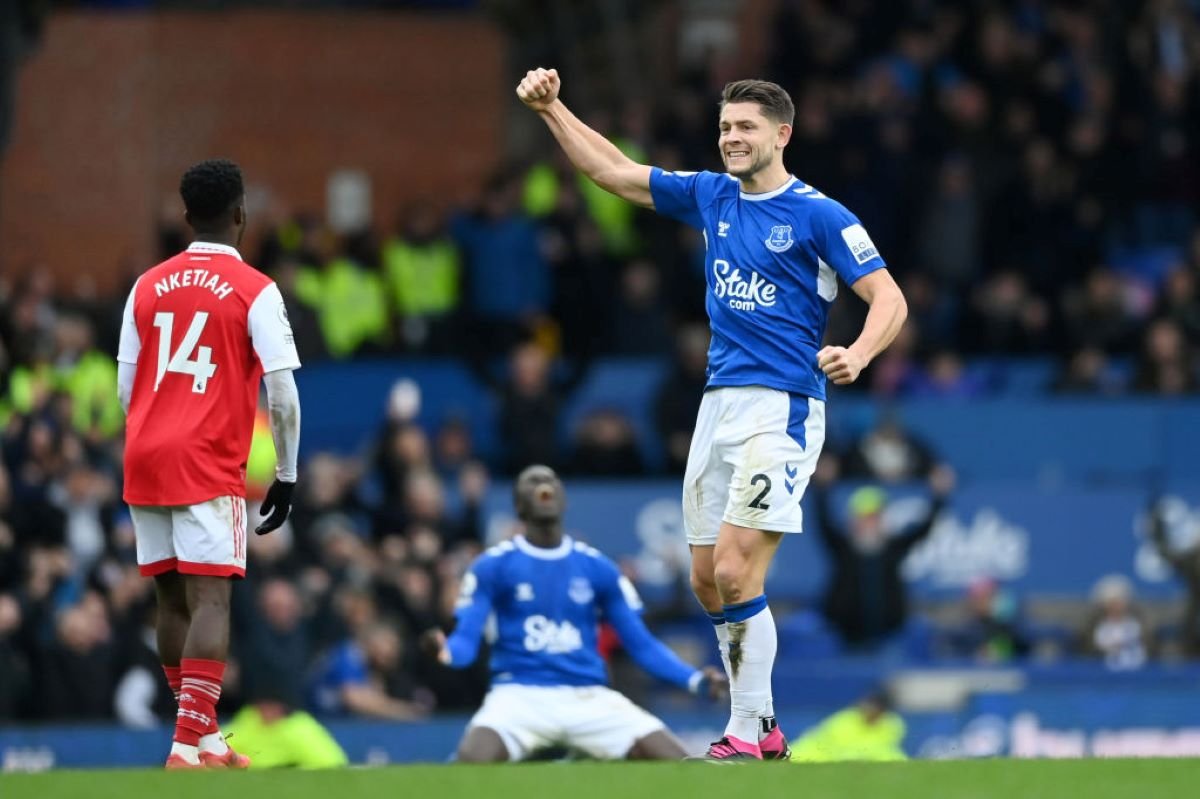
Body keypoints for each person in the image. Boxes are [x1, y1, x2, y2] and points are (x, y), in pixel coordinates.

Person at [516, 68, 907, 759]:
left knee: (734, 571)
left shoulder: (820, 214)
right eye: (725, 126)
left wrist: (861, 352)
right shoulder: (711, 195)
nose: (731, 137)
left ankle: (749, 728)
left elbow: (889, 298)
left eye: (746, 127)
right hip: (717, 404)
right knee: (706, 579)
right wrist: (553, 110)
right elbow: (613, 172)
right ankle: (765, 725)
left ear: (781, 135)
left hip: (781, 406)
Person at [117, 159, 302, 769]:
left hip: (146, 455)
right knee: (212, 600)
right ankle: (184, 745)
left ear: (186, 215)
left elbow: (125, 388)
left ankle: (205, 738)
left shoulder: (146, 285)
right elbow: (282, 392)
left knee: (171, 600)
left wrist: (156, 425)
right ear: (242, 213)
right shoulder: (257, 289)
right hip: (206, 461)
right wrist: (288, 473)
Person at [420, 465, 725, 762]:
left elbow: (641, 644)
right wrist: (445, 651)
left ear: (563, 500)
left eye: (550, 480)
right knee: (472, 760)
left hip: (588, 697)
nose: (542, 484)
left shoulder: (598, 568)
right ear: (518, 505)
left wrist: (694, 680)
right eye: (532, 481)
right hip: (519, 695)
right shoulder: (492, 566)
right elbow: (466, 641)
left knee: (680, 763)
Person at [811, 457, 955, 649]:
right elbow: (824, 522)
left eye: (876, 516)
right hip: (845, 637)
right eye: (866, 516)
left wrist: (938, 496)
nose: (871, 521)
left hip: (889, 637)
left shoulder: (893, 547)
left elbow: (923, 529)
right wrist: (822, 487)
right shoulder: (843, 548)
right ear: (854, 520)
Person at [788, 690, 907, 763]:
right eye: (867, 705)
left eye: (873, 707)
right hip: (823, 753)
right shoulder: (844, 721)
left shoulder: (892, 724)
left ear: (882, 711)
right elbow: (835, 747)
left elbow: (881, 749)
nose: (868, 709)